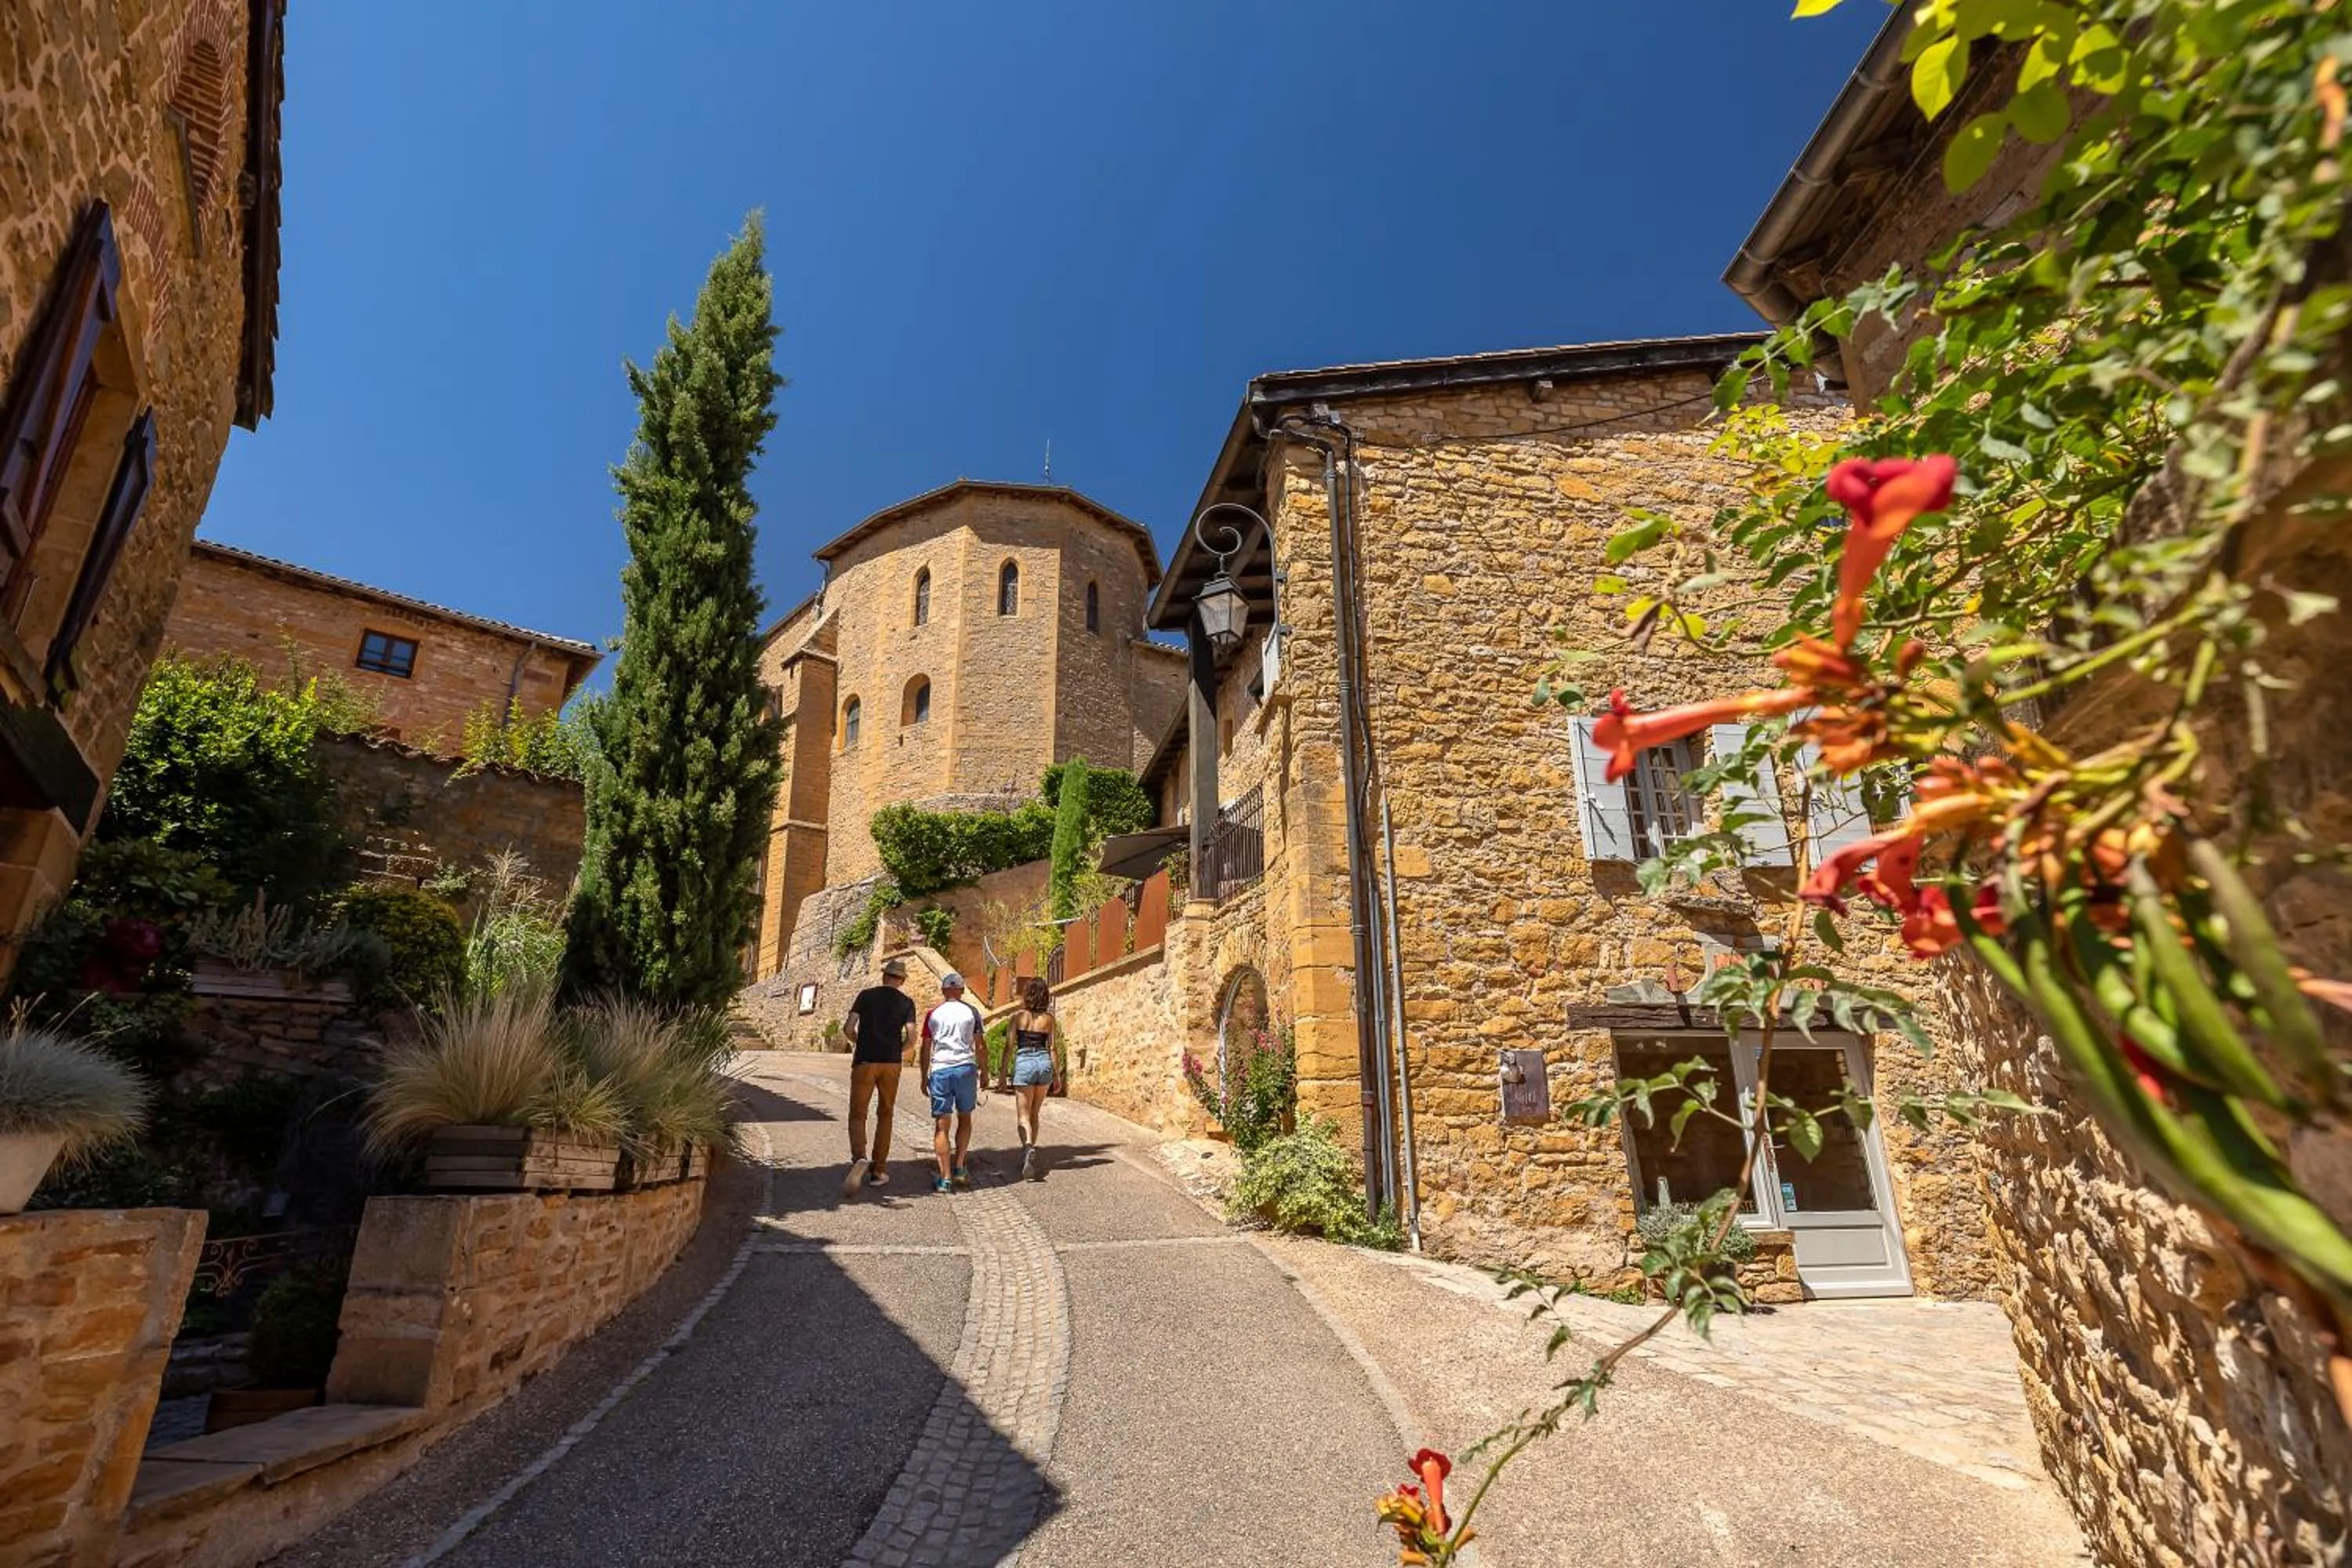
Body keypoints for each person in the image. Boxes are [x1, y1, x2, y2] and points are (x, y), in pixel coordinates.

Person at [840, 957, 916, 1196]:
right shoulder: (906, 1002)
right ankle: (879, 1170)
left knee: (858, 1113)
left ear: (884, 976)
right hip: (891, 1063)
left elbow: (848, 1028)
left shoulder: (866, 995)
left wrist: (859, 1043)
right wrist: (897, 1050)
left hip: (865, 1060)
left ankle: (859, 1158)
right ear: (901, 980)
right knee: (885, 1114)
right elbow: (912, 1038)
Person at [920, 971, 985, 1194]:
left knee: (942, 1124)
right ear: (963, 990)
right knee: (965, 1117)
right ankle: (959, 1166)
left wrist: (923, 1076)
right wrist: (984, 1072)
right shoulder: (972, 1012)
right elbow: (980, 1044)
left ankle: (945, 1178)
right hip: (966, 1068)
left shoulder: (933, 1014)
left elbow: (926, 1047)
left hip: (941, 1069)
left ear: (944, 990)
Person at [1000, 977, 1062, 1181]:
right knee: (1035, 1113)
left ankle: (1027, 1148)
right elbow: (1052, 1048)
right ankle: (1030, 1151)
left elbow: (1009, 1046)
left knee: (1023, 1115)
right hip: (1043, 1062)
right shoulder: (1049, 1019)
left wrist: (1002, 1075)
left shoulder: (1017, 1017)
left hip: (1025, 1062)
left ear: (1027, 995)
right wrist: (1057, 1075)